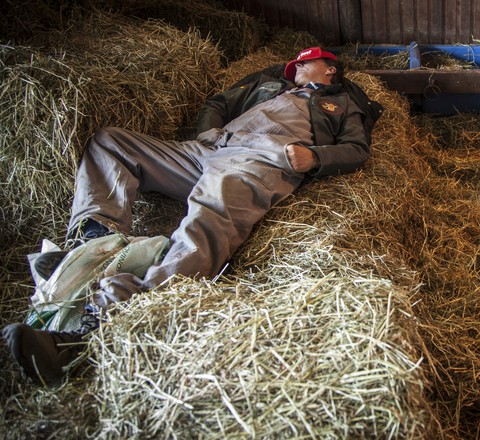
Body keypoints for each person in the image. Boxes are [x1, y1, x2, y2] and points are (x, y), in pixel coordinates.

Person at [3, 47, 377, 386]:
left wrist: (314, 158)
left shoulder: (341, 102)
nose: (295, 68)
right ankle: (93, 242)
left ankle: (97, 330)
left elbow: (356, 149)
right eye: (294, 64)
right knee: (109, 142)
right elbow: (218, 101)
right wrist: (206, 132)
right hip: (208, 149)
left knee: (215, 210)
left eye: (305, 63)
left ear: (329, 69)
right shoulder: (266, 87)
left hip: (260, 158)